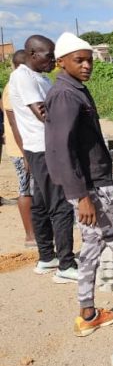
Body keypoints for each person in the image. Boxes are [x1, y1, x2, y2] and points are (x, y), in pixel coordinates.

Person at [45, 32, 113, 336]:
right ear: (61, 62)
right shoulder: (65, 94)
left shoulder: (73, 89)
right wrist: (82, 196)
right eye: (79, 60)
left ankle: (87, 312)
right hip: (94, 188)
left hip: (88, 187)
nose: (87, 64)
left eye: (89, 59)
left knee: (91, 247)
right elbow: (61, 149)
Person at [7, 35, 77, 283]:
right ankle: (67, 265)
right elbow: (42, 113)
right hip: (44, 149)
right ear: (33, 54)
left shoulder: (41, 76)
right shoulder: (23, 76)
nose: (53, 60)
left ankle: (47, 257)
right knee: (61, 205)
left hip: (42, 148)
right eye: (49, 56)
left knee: (39, 203)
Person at [2, 50, 36, 247]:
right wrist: (25, 154)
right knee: (26, 190)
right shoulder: (11, 89)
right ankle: (30, 235)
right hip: (21, 150)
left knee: (34, 189)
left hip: (27, 148)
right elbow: (15, 125)